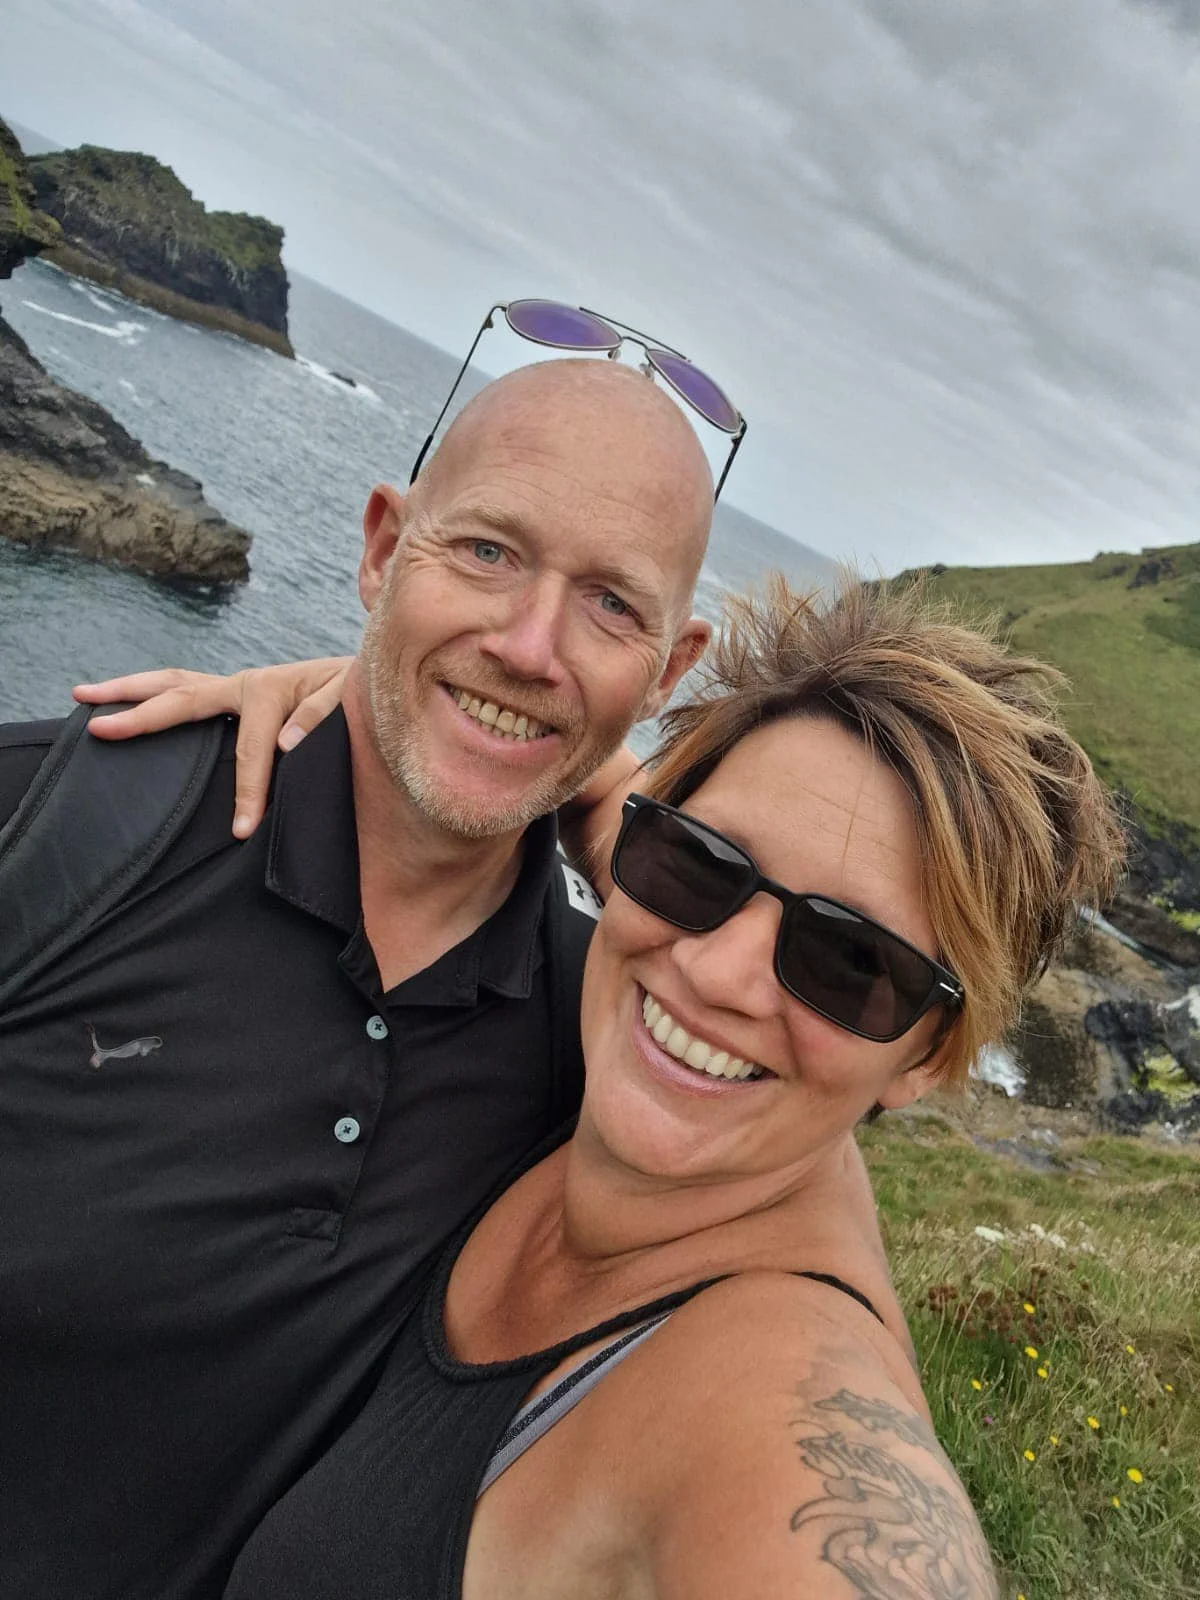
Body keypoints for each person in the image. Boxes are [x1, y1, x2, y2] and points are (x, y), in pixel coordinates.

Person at [184, 573, 1119, 1599]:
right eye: (701, 864)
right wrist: (368, 714)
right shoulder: (661, 1075)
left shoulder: (778, 1403)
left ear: (930, 1058)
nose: (717, 972)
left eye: (849, 963)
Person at [0, 356, 733, 1600]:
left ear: (668, 675)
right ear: (384, 550)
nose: (530, 645)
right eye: (489, 552)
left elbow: (802, 1136)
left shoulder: (597, 1042)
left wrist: (622, 831)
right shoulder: (63, 820)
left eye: (612, 605)